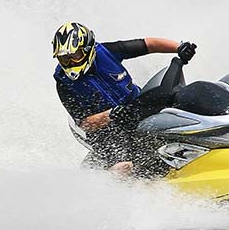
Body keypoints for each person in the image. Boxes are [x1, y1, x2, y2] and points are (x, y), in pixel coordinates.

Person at [52, 21, 196, 174]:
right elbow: (84, 124)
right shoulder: (63, 84)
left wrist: (179, 48)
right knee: (121, 169)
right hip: (107, 131)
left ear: (87, 49)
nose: (70, 63)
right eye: (64, 59)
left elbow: (149, 44)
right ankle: (144, 187)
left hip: (136, 107)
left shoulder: (107, 51)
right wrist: (111, 115)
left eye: (74, 56)